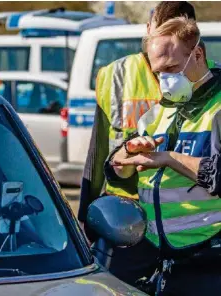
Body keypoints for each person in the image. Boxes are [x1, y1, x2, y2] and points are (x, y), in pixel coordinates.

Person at [78, 1, 219, 234]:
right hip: (125, 210)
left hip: (192, 230)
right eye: (161, 33)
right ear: (149, 31)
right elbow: (98, 153)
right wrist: (85, 214)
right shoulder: (118, 76)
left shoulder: (206, 86)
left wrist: (169, 158)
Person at [105, 17, 221, 295]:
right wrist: (127, 155)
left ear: (198, 54)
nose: (165, 79)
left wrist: (168, 158)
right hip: (154, 250)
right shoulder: (158, 113)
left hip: (207, 254)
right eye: (158, 73)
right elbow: (116, 170)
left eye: (171, 68)